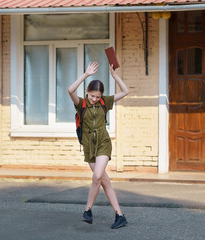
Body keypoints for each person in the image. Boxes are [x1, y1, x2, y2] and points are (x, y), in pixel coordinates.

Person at [68, 61, 129, 229]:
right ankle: (119, 215)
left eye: (97, 96)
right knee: (104, 181)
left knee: (97, 176)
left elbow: (125, 91)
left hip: (103, 142)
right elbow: (70, 90)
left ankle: (87, 210)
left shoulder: (105, 102)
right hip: (89, 146)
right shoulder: (81, 103)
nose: (94, 99)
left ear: (101, 95)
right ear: (87, 92)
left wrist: (115, 76)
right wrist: (86, 74)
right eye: (92, 95)